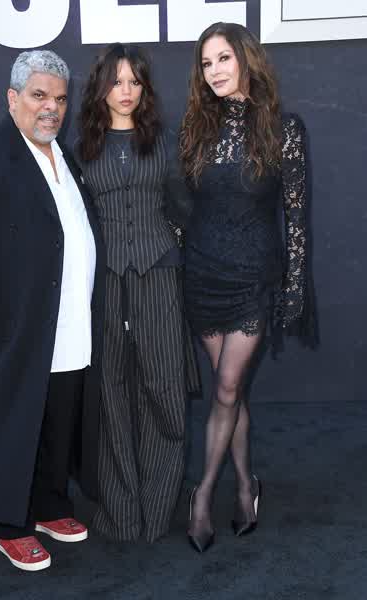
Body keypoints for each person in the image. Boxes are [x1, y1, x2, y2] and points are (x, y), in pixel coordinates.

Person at [0, 50, 106, 571]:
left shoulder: (65, 156)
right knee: (12, 422)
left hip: (69, 317)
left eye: (60, 98)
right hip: (13, 320)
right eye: (39, 96)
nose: (51, 107)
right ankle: (9, 525)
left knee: (58, 415)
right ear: (13, 99)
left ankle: (50, 505)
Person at [180, 22, 316, 552]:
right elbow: (181, 205)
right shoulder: (196, 128)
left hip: (254, 275)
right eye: (206, 63)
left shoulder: (284, 129)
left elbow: (296, 217)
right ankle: (245, 485)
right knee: (228, 392)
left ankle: (202, 495)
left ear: (245, 58)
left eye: (223, 58)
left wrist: (295, 285)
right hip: (204, 274)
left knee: (227, 389)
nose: (214, 71)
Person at [77, 43, 199, 543]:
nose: (125, 91)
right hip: (104, 284)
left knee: (165, 391)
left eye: (134, 81)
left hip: (160, 277)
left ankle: (158, 509)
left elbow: (186, 210)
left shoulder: (164, 143)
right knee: (109, 395)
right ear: (101, 87)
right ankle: (122, 515)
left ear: (145, 88)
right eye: (116, 81)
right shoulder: (80, 148)